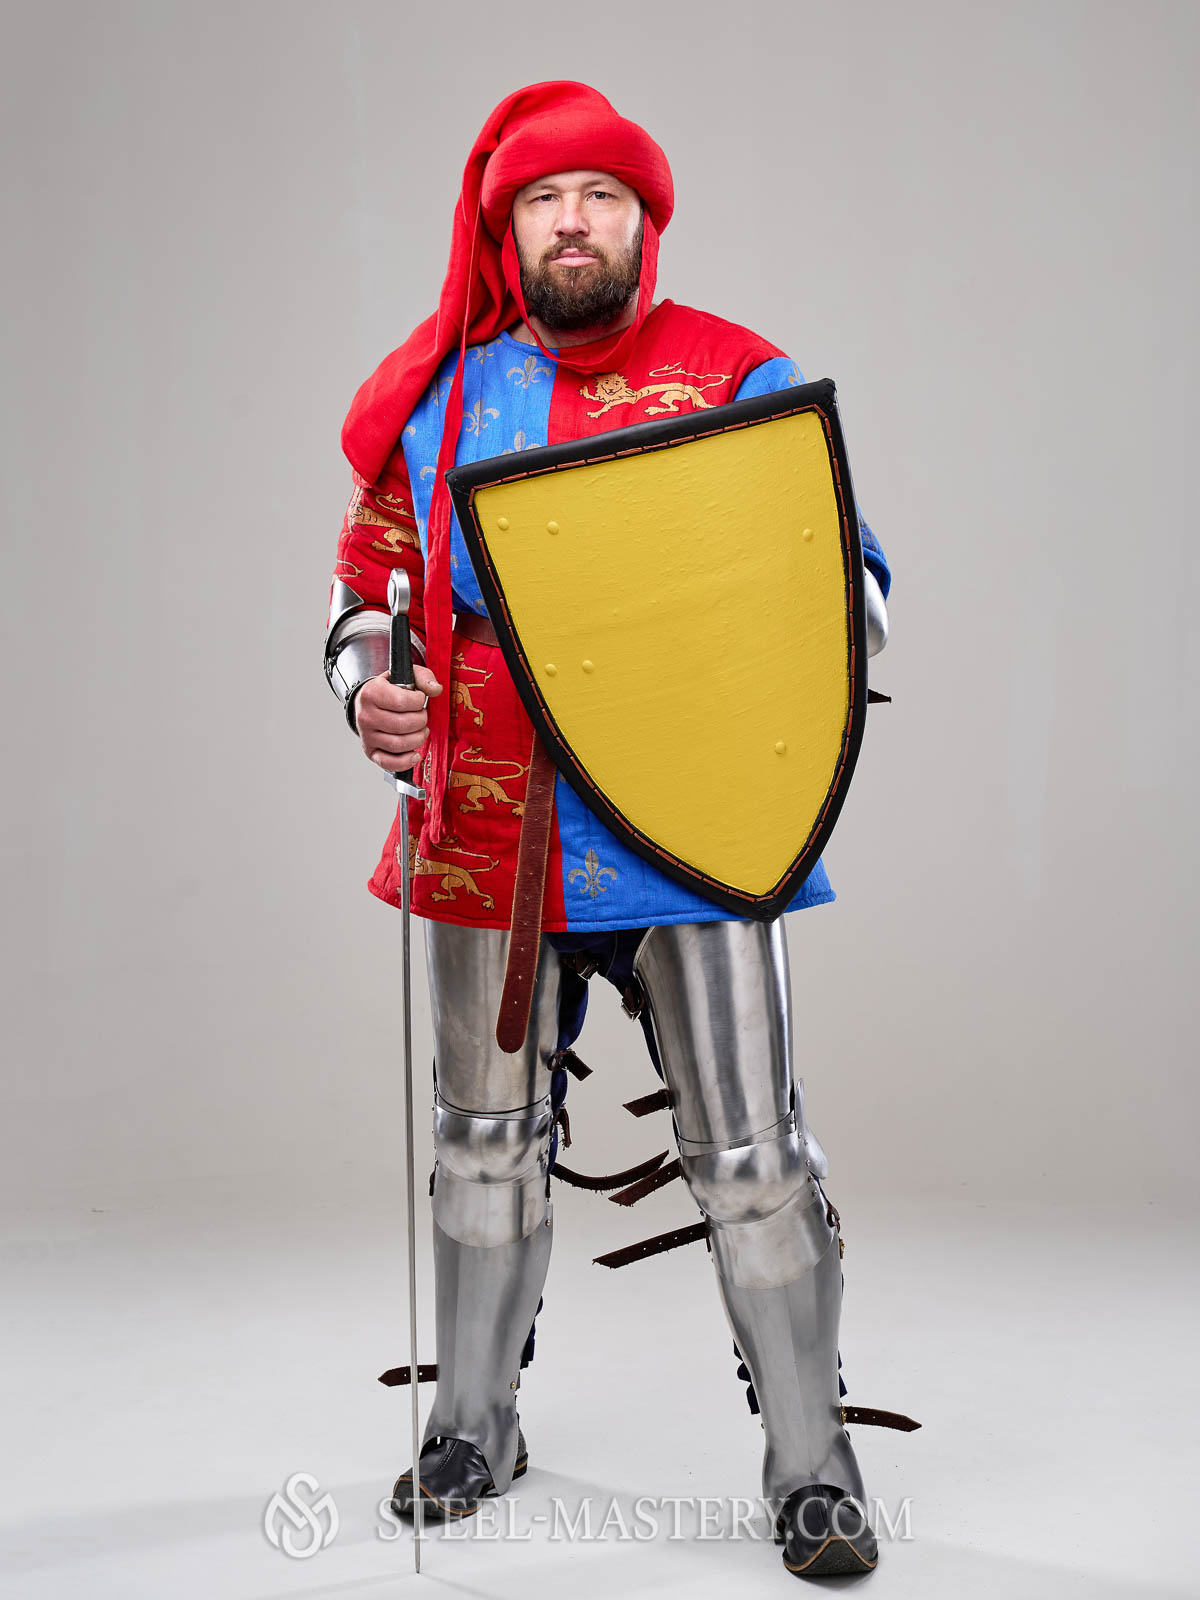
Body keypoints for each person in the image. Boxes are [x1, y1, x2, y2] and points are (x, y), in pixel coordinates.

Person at [324, 81, 894, 1580]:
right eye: (542, 200)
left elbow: (847, 580)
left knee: (753, 1159)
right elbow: (369, 592)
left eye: (601, 197)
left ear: (646, 220)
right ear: (507, 228)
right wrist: (371, 689)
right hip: (488, 819)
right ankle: (471, 1422)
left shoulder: (737, 376)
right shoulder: (440, 399)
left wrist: (793, 645)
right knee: (480, 1147)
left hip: (689, 821)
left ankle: (812, 1459)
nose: (571, 223)